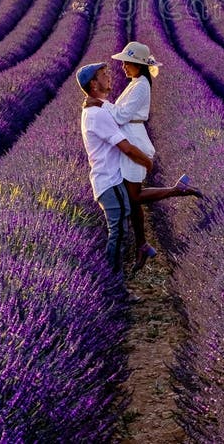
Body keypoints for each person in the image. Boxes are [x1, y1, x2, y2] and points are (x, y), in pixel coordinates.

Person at [85, 42, 203, 273]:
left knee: (134, 195)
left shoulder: (140, 86)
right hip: (131, 135)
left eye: (126, 63)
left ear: (138, 65)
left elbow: (121, 116)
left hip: (135, 140)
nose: (123, 67)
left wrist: (99, 102)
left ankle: (177, 190)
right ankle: (142, 244)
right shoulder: (135, 83)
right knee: (132, 197)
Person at [77, 61, 153, 297]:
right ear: (93, 83)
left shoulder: (99, 108)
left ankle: (116, 284)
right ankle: (113, 289)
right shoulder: (96, 115)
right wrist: (147, 162)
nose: (109, 76)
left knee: (120, 233)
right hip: (108, 182)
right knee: (118, 234)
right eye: (103, 74)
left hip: (110, 182)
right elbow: (126, 148)